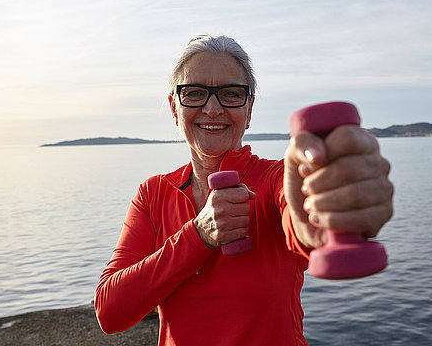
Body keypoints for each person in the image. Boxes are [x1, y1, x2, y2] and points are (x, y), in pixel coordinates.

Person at [95, 35, 394, 345]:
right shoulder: (154, 193)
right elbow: (110, 311)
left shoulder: (275, 179)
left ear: (249, 109)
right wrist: (199, 234)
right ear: (174, 107)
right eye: (194, 93)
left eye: (231, 94)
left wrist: (334, 203)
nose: (212, 109)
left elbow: (302, 217)